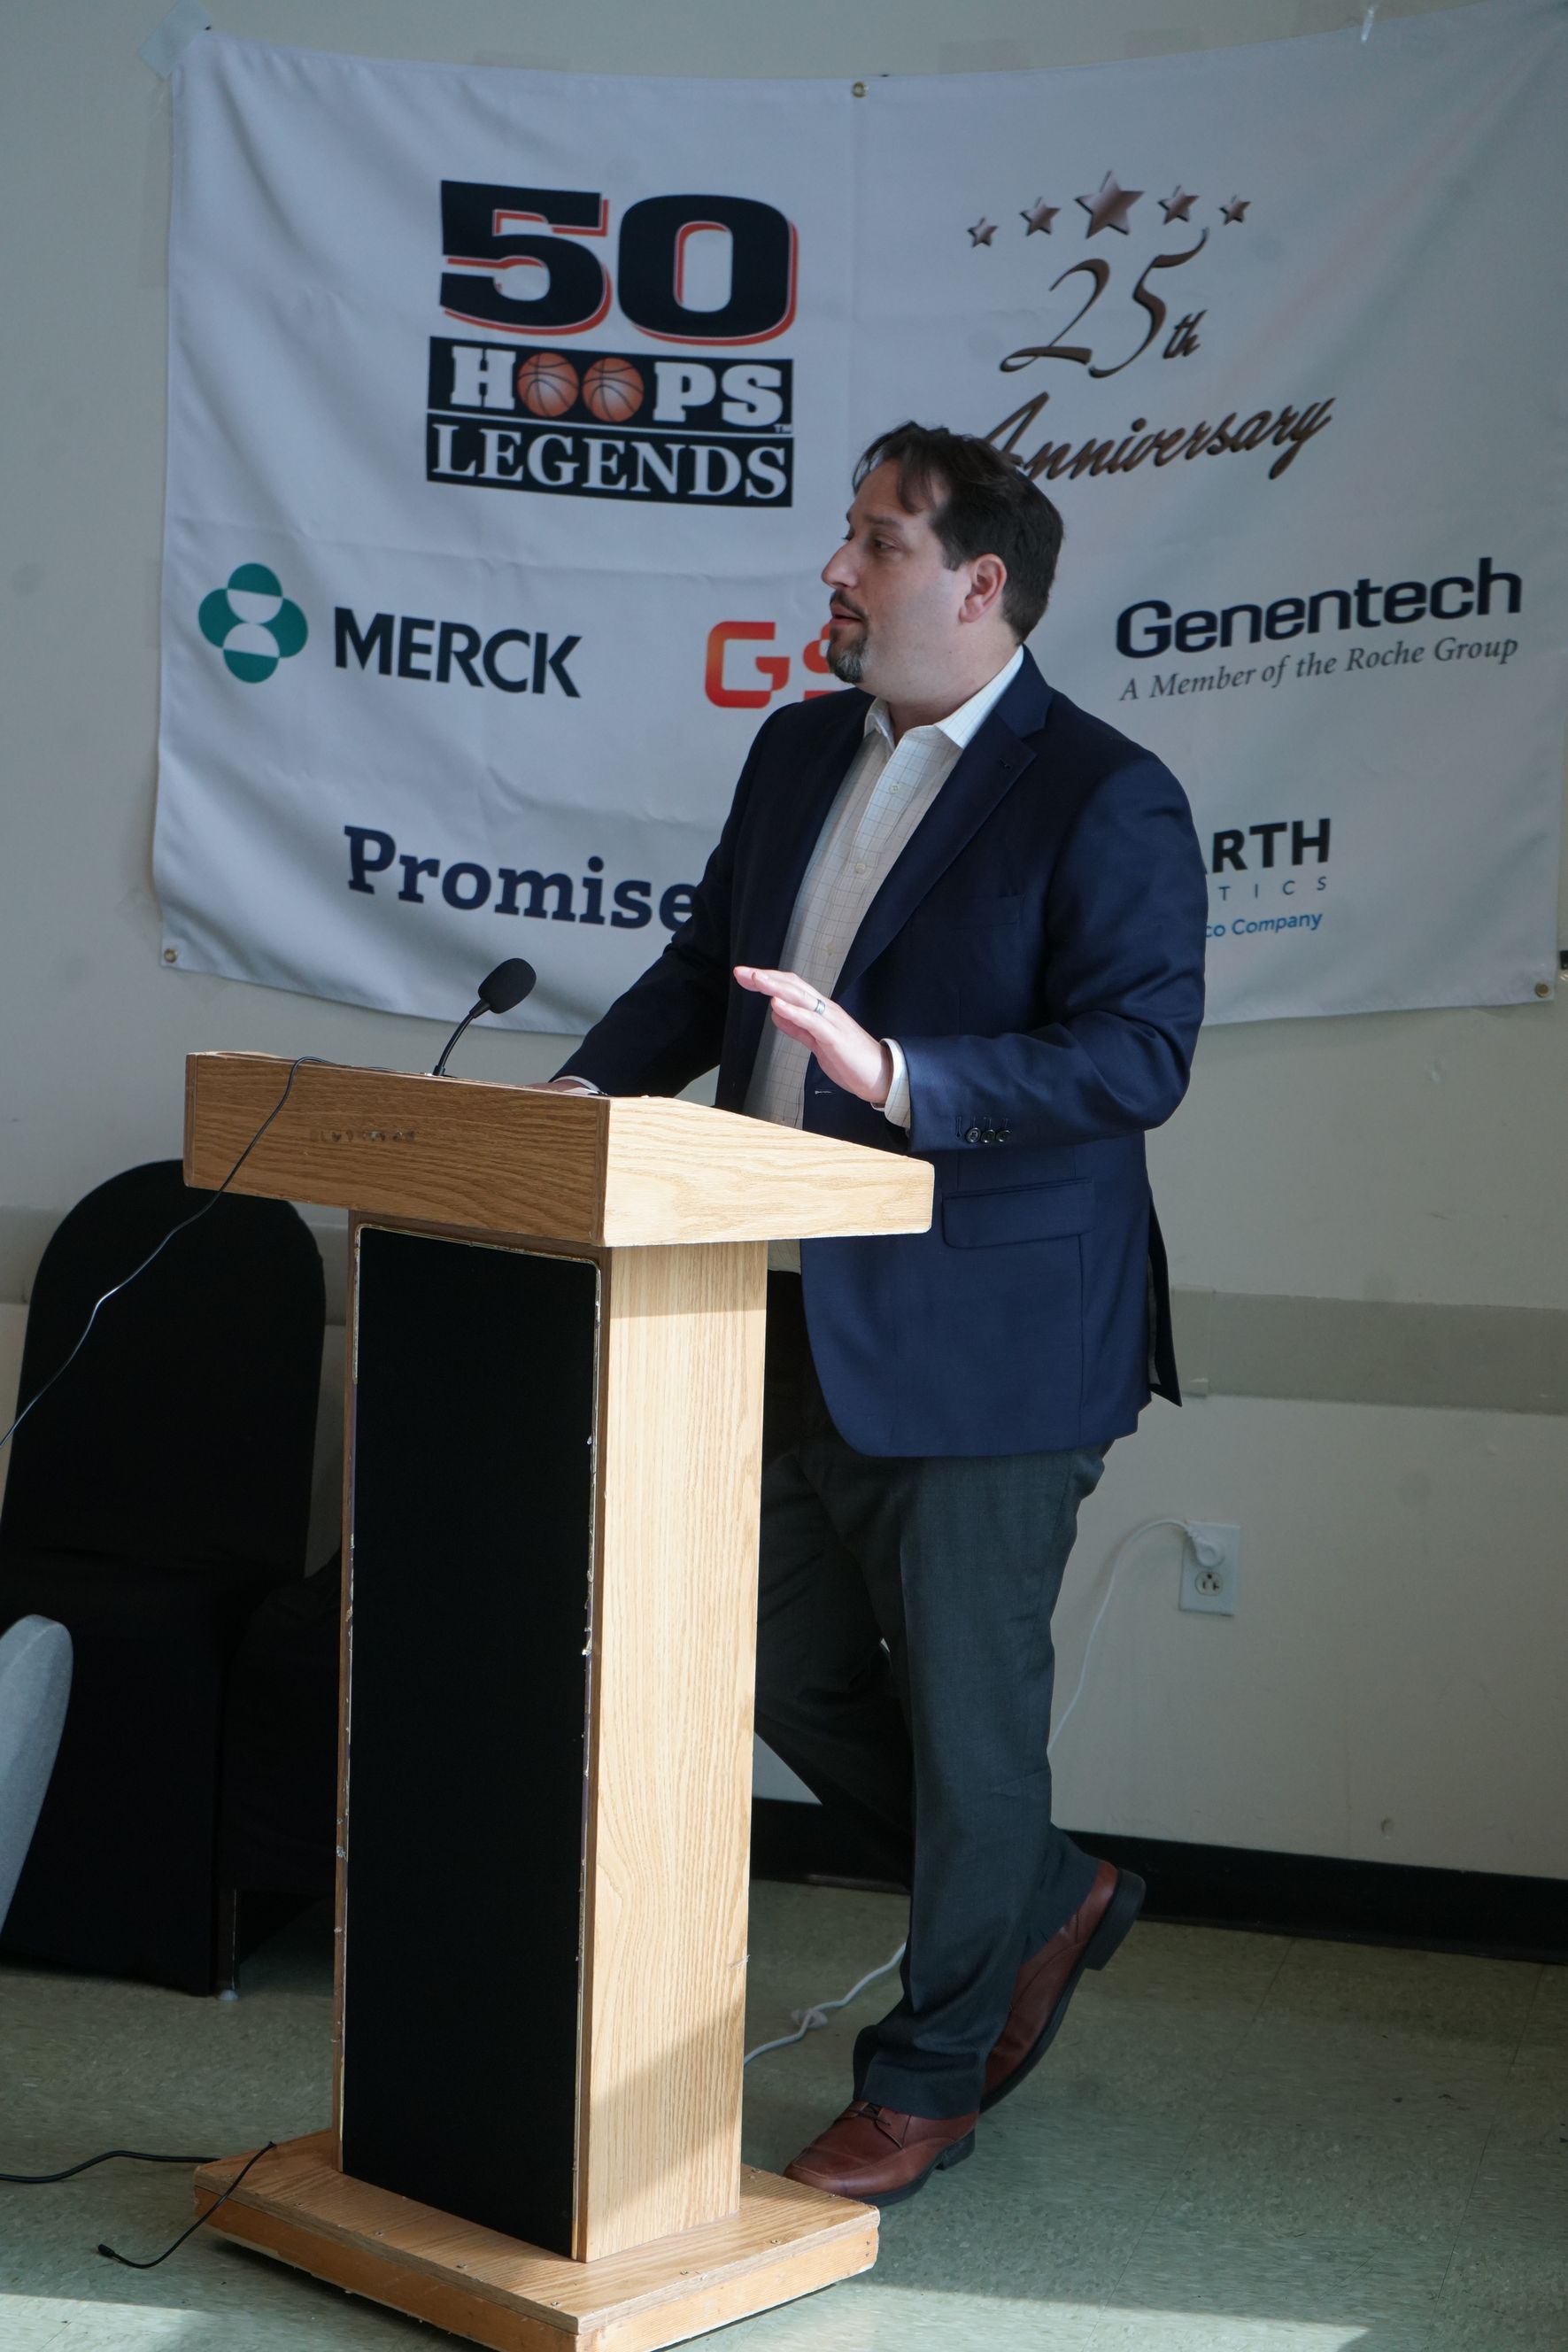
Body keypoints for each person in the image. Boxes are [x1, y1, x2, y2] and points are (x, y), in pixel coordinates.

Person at [538, 422, 1208, 2207]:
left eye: (873, 544)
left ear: (977, 585)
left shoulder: (1102, 790)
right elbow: (704, 971)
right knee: (770, 1658)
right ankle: (1042, 1890)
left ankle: (926, 2079)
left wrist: (902, 1072)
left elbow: (1138, 1053)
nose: (834, 574)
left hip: (989, 1340)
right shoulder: (789, 750)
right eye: (846, 540)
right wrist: (579, 1103)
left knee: (972, 1721)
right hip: (768, 1303)